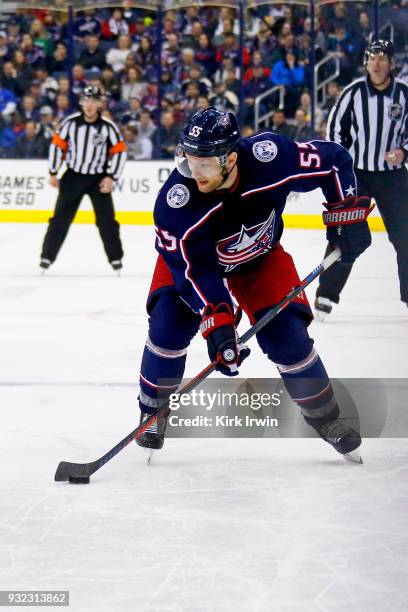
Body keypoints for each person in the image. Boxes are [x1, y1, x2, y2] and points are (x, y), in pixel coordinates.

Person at [135, 106, 373, 462]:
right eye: (188, 160)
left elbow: (334, 161)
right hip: (194, 268)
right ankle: (152, 411)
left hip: (259, 259)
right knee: (169, 324)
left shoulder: (270, 158)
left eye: (204, 163)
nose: (193, 172)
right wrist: (217, 319)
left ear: (230, 159)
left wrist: (345, 213)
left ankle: (326, 419)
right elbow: (192, 272)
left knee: (288, 338)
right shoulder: (175, 204)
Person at [315, 39, 408, 319]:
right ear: (366, 62)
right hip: (358, 176)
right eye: (372, 58)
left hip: (394, 178)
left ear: (391, 63)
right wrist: (341, 165)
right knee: (345, 234)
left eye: (382, 58)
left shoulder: (404, 93)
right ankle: (325, 295)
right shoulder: (353, 93)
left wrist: (404, 152)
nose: (376, 63)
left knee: (406, 238)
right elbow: (334, 131)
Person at [39, 85, 126, 273]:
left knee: (106, 221)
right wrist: (53, 172)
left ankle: (116, 259)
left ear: (100, 104)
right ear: (81, 102)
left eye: (94, 101)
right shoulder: (70, 123)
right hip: (73, 176)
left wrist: (112, 177)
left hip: (98, 178)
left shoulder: (108, 127)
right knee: (60, 219)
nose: (90, 105)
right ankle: (46, 257)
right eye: (86, 100)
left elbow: (119, 151)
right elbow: (57, 146)